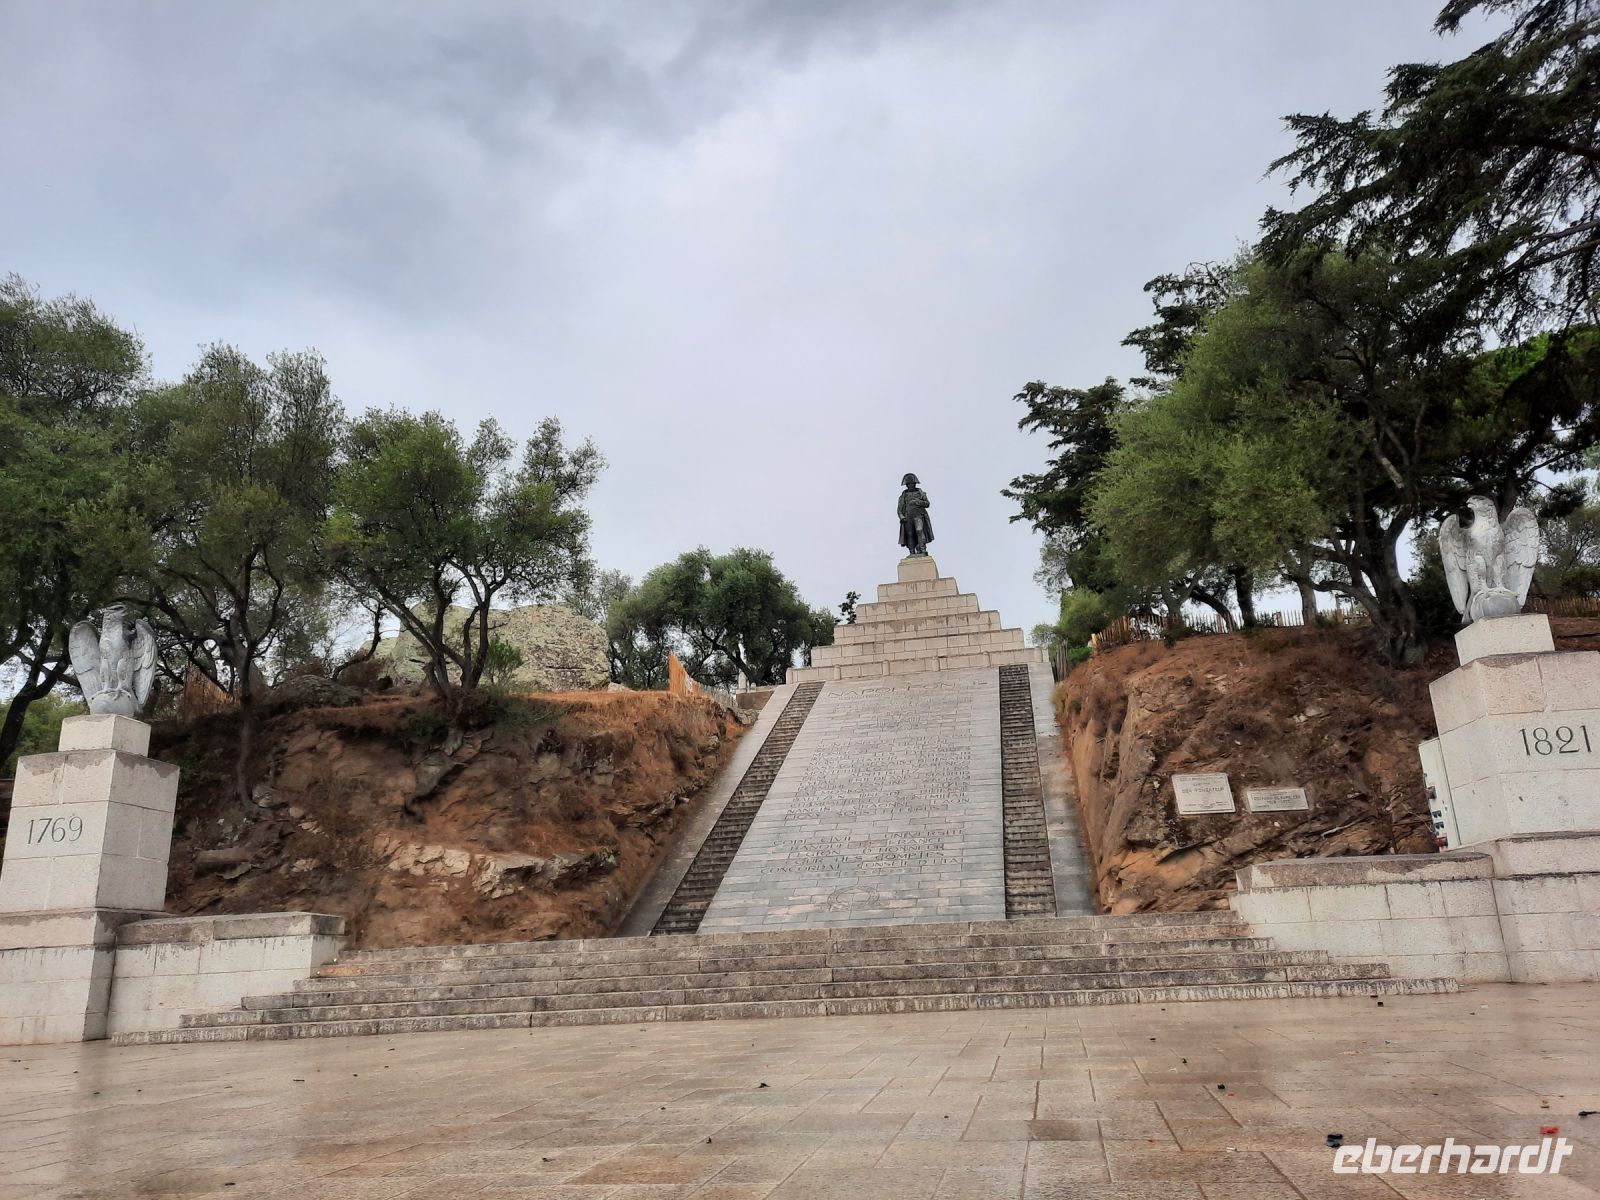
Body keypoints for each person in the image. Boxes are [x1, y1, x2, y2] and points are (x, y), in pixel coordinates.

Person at [897, 473, 933, 556]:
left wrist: (917, 502)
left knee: (919, 530)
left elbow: (927, 504)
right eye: (909, 484)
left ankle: (923, 549)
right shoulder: (903, 496)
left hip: (919, 515)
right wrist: (902, 517)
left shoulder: (920, 493)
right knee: (910, 534)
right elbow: (899, 509)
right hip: (908, 517)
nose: (911, 486)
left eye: (912, 484)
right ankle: (912, 552)